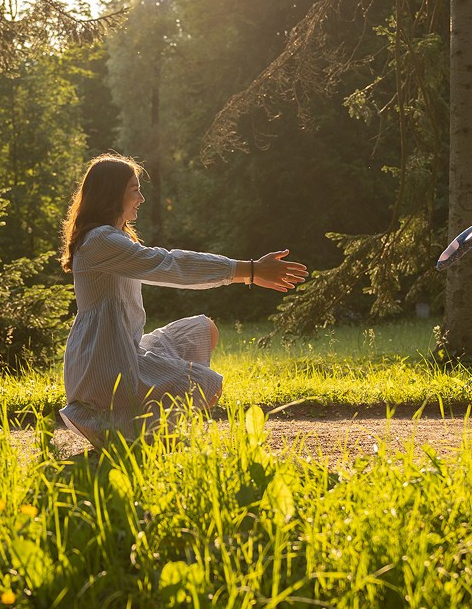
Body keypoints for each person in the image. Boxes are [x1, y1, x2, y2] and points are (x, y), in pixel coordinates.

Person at [57, 153, 307, 448]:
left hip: (125, 352)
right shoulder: (101, 241)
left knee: (203, 330)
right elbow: (172, 265)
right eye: (134, 189)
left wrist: (248, 273)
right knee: (205, 384)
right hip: (107, 368)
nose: (141, 198)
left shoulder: (113, 238)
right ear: (112, 195)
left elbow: (169, 265)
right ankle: (129, 430)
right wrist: (249, 271)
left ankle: (146, 430)